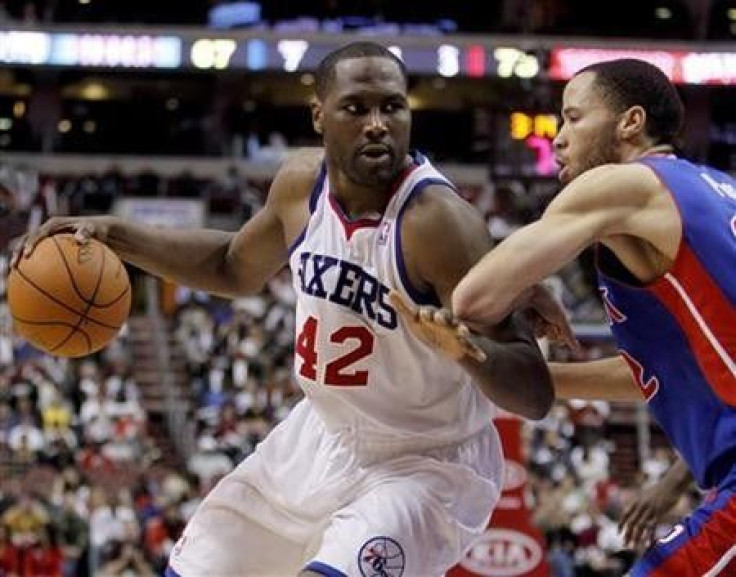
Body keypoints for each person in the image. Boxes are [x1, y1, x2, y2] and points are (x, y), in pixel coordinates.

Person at [12, 41, 555, 577]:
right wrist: (116, 236)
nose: (376, 123)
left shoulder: (440, 223)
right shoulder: (300, 185)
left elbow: (534, 392)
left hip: (426, 462)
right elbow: (231, 266)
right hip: (318, 435)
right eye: (356, 107)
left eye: (392, 106)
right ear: (319, 115)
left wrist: (470, 354)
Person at [443, 58, 736, 576]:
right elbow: (664, 373)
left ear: (630, 123)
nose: (557, 138)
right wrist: (545, 379)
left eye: (573, 118)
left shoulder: (630, 184)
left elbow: (473, 300)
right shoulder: (713, 189)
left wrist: (527, 286)